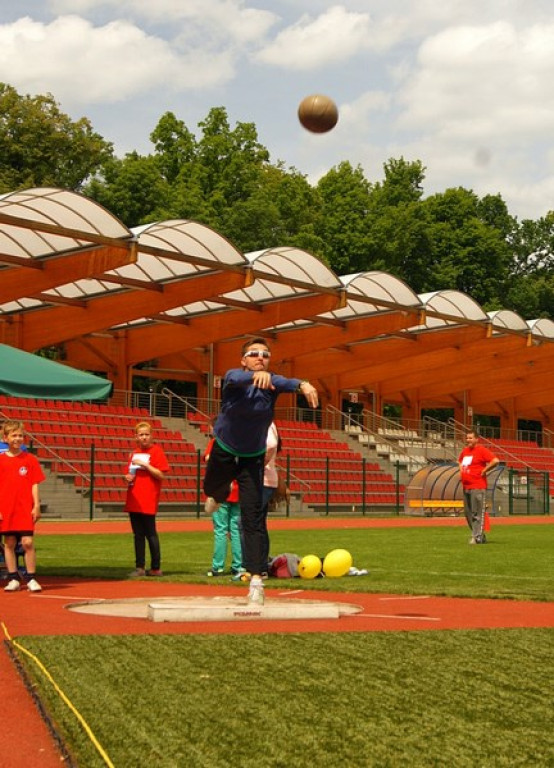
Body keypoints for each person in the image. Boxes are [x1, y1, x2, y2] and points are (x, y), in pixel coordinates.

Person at [203, 337, 318, 604]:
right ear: (244, 360)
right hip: (224, 448)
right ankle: (216, 495)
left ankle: (255, 578)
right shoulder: (234, 378)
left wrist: (304, 384)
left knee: (252, 518)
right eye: (254, 354)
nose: (260, 357)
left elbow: (287, 382)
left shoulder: (272, 383)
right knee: (212, 491)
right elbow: (235, 378)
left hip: (252, 458)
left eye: (265, 355)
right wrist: (258, 375)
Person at [0, 420, 45, 592]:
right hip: (6, 508)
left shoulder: (30, 459)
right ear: (6, 438)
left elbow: (35, 483)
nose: (17, 439)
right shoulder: (1, 460)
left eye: (20, 435)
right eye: (14, 435)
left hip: (24, 507)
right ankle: (13, 578)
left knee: (27, 542)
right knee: (9, 542)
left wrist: (37, 506)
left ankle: (31, 578)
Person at [124, 421, 169, 577]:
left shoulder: (157, 452)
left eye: (146, 434)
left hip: (149, 497)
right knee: (138, 535)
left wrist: (146, 465)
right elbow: (129, 474)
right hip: (134, 497)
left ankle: (156, 567)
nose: (144, 437)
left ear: (152, 436)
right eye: (141, 434)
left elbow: (161, 475)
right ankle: (140, 567)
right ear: (136, 437)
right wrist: (128, 477)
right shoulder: (133, 453)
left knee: (151, 533)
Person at [204, 437, 243, 577]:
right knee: (236, 530)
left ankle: (218, 566)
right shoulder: (241, 442)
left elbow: (209, 459)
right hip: (238, 490)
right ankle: (238, 566)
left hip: (221, 489)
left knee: (220, 530)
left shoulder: (217, 442)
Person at [458, 430, 500, 544]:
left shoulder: (481, 450)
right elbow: (460, 461)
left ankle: (476, 537)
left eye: (471, 438)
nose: (468, 440)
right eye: (467, 438)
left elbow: (495, 460)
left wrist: (485, 470)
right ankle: (479, 535)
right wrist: (461, 471)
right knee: (468, 513)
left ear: (477, 439)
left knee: (477, 513)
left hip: (478, 486)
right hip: (466, 486)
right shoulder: (465, 451)